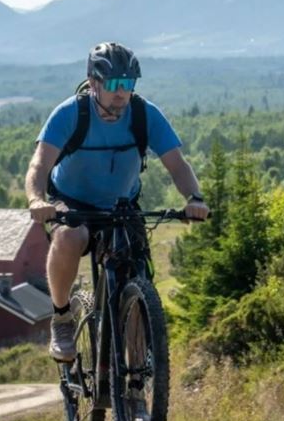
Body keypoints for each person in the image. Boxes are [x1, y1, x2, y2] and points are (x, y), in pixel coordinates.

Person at [25, 42, 210, 361]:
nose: (121, 93)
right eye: (113, 84)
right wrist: (36, 199)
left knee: (134, 272)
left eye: (128, 84)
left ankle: (136, 386)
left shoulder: (144, 114)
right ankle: (62, 318)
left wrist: (194, 198)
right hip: (70, 202)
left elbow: (177, 165)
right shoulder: (71, 113)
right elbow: (39, 165)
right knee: (71, 237)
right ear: (94, 82)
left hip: (121, 205)